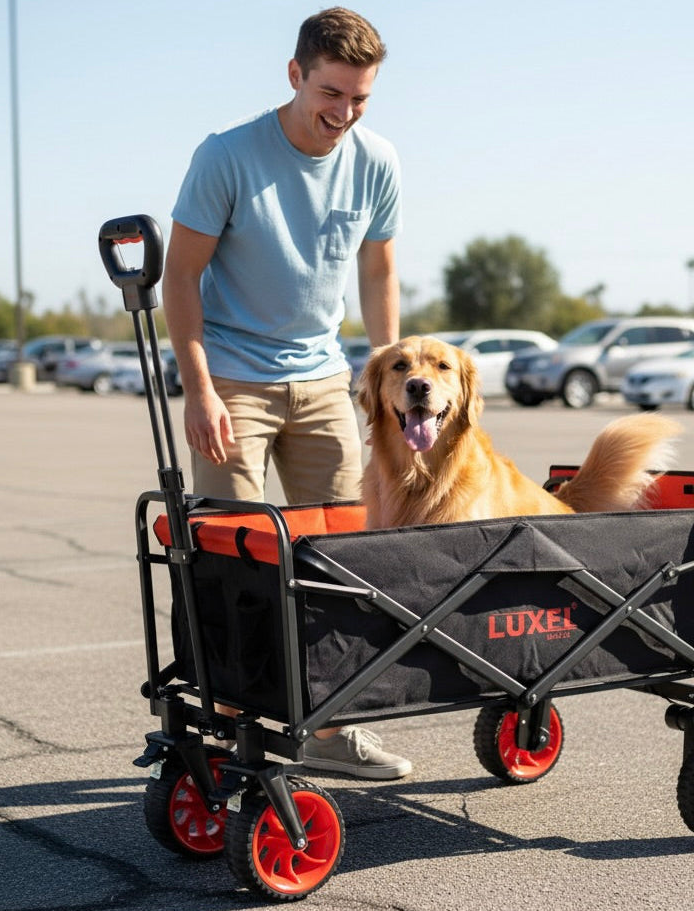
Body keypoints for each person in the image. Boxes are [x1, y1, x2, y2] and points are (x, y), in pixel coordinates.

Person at [162, 7, 410, 780]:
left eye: (360, 98)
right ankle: (235, 732)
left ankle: (332, 731)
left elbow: (377, 273)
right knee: (237, 558)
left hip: (325, 380)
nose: (343, 113)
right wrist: (200, 390)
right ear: (296, 74)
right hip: (235, 381)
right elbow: (179, 277)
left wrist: (388, 383)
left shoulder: (376, 160)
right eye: (331, 93)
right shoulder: (227, 156)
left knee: (339, 557)